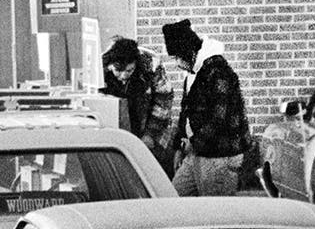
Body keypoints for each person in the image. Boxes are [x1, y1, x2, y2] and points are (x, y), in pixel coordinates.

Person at [163, 19, 250, 196]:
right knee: (175, 197)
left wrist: (193, 143)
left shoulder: (218, 72)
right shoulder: (194, 74)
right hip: (199, 151)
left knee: (216, 212)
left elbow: (219, 118)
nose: (177, 63)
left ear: (188, 53)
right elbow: (185, 112)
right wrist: (180, 145)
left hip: (220, 155)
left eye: (177, 57)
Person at [101, 36, 177, 174]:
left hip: (152, 127)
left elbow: (164, 100)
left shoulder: (151, 64)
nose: (123, 76)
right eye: (118, 70)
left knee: (153, 171)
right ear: (110, 64)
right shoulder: (99, 68)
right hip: (117, 129)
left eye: (129, 70)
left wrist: (150, 134)